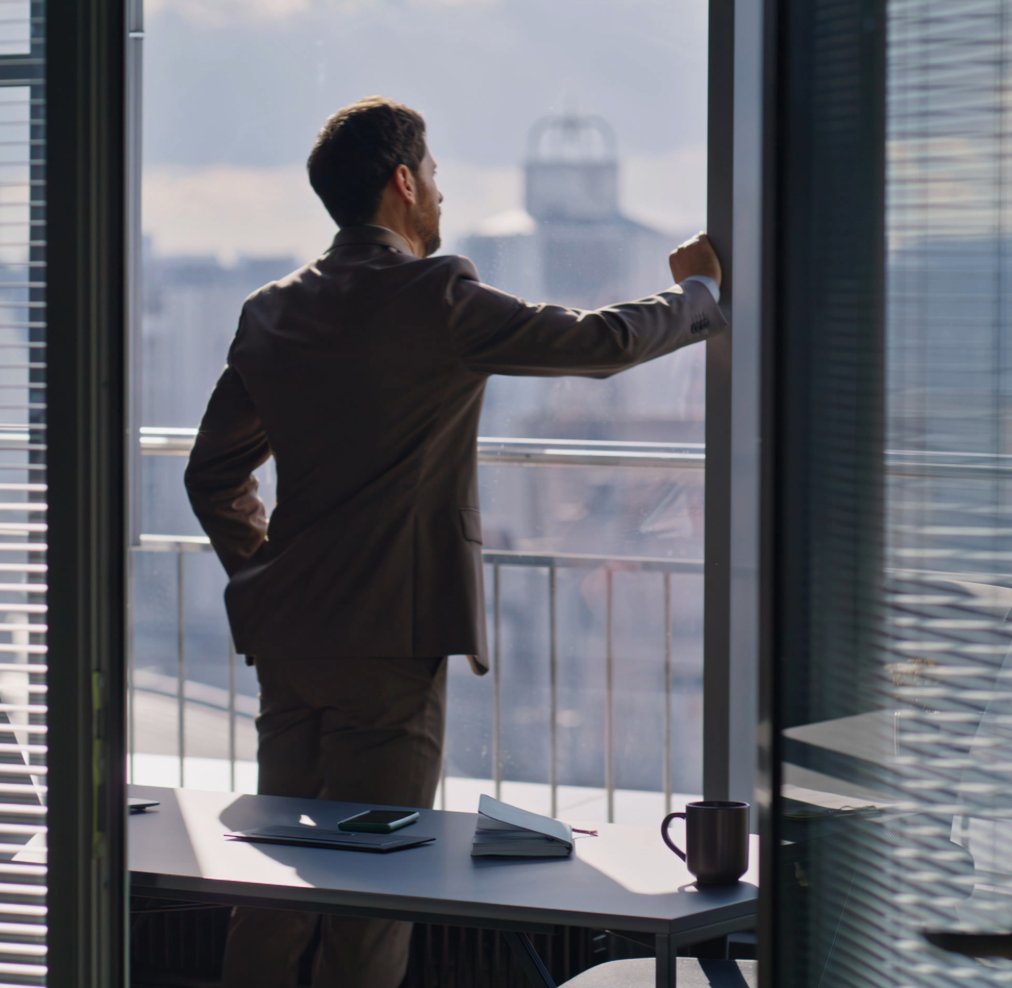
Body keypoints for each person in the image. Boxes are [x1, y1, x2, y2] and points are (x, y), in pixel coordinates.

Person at [184, 96, 724, 988]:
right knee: (374, 891)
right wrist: (697, 294)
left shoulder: (270, 310)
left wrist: (267, 573)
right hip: (388, 640)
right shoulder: (433, 295)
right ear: (403, 181)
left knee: (276, 878)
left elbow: (213, 474)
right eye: (433, 175)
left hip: (288, 635)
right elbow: (596, 344)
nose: (439, 194)